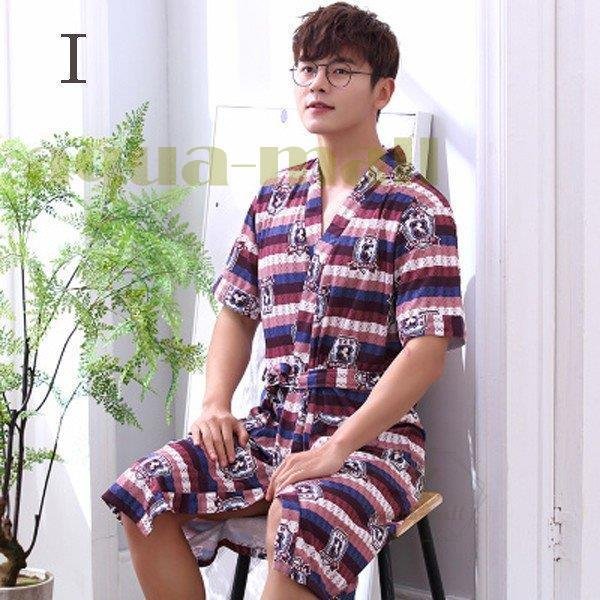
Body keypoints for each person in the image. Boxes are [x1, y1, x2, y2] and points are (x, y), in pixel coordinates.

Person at [100, 3, 467, 599]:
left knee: (301, 517)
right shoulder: (274, 200)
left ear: (383, 91)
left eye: (340, 70)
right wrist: (215, 403)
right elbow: (235, 312)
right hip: (273, 428)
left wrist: (337, 447)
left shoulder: (417, 208)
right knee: (144, 490)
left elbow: (426, 353)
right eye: (307, 69)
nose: (317, 83)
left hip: (371, 443)